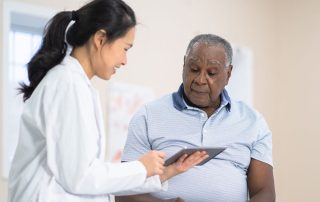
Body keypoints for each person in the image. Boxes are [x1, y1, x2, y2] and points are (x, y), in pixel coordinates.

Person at [8, 1, 209, 201]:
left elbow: (92, 176)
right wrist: (141, 167)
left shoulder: (78, 85)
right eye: (125, 49)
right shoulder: (67, 84)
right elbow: (79, 177)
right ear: (100, 39)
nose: (124, 60)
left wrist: (165, 172)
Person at [115, 34, 276, 202]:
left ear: (228, 74)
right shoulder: (147, 115)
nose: (200, 80)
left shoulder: (253, 122)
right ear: (184, 65)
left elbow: (265, 193)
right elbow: (124, 192)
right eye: (194, 69)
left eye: (211, 73)